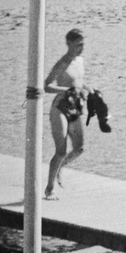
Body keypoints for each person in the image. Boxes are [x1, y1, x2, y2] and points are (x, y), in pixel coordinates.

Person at [43, 27, 87, 199]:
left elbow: (78, 82)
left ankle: (61, 167)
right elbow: (46, 86)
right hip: (60, 107)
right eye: (78, 44)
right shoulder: (62, 63)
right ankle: (49, 189)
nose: (81, 48)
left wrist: (88, 89)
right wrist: (67, 90)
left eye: (82, 44)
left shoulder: (80, 61)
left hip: (75, 107)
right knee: (61, 151)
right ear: (69, 43)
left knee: (79, 148)